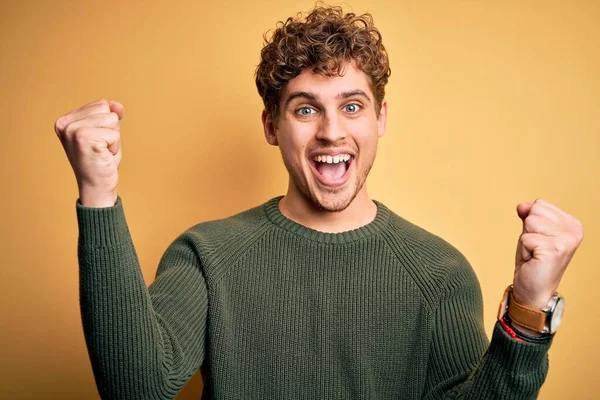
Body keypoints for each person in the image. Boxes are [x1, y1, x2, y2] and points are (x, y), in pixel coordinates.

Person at [54, 5, 584, 400]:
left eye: (352, 106)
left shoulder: (440, 274)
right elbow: (135, 388)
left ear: (380, 120)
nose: (332, 132)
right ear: (271, 126)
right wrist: (98, 196)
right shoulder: (206, 255)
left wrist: (530, 310)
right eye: (306, 110)